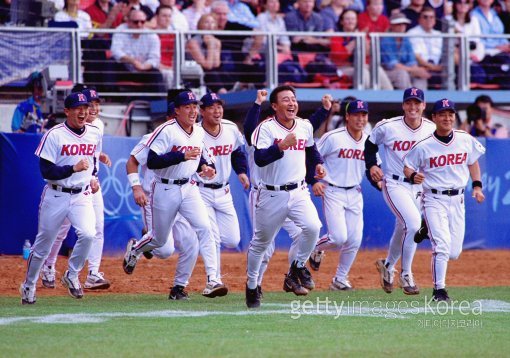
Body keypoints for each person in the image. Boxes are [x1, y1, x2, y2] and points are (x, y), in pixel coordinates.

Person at [122, 90, 228, 298]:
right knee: (161, 244)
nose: (192, 110)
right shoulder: (165, 131)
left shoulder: (198, 132)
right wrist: (180, 156)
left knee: (202, 230)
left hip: (189, 188)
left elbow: (201, 160)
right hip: (164, 188)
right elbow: (151, 162)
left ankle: (208, 281)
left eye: (195, 106)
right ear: (176, 110)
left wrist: (205, 169)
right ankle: (136, 249)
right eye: (187, 107)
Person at [243, 90, 332, 298]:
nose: (291, 103)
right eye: (286, 100)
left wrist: (317, 163)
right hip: (271, 194)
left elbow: (310, 149)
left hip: (299, 191)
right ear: (274, 106)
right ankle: (252, 284)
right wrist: (280, 146)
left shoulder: (304, 125)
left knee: (312, 228)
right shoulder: (266, 128)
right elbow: (260, 159)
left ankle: (297, 267)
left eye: (293, 99)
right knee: (261, 244)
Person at [20, 92, 102, 305]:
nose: (83, 111)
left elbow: (93, 160)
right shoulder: (54, 134)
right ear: (67, 111)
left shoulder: (94, 133)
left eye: (85, 107)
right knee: (43, 246)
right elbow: (46, 171)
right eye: (77, 108)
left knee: (88, 234)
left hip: (82, 194)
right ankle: (29, 285)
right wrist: (73, 168)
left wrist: (93, 177)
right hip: (56, 194)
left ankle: (72, 274)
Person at [403, 98, 486, 301]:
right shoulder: (424, 145)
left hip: (458, 200)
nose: (447, 118)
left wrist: (477, 186)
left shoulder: (464, 138)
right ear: (434, 118)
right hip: (433, 199)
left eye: (450, 114)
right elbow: (407, 166)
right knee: (441, 247)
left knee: (453, 252)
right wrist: (413, 176)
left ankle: (426, 228)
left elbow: (472, 161)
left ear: (455, 117)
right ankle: (439, 290)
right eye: (442, 114)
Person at [364, 87, 436, 295]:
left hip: (418, 186)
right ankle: (406, 274)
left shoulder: (431, 128)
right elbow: (370, 145)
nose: (413, 106)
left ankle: (387, 266)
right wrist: (372, 165)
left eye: (417, 103)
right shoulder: (388, 127)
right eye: (409, 103)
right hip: (394, 183)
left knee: (402, 227)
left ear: (423, 105)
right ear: (403, 105)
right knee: (413, 225)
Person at [39, 87, 112, 291]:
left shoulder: (96, 126)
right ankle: (49, 266)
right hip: (64, 187)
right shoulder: (60, 133)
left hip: (87, 185)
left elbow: (92, 156)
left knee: (95, 228)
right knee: (59, 231)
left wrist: (95, 174)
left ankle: (92, 273)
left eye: (94, 104)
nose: (92, 108)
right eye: (89, 104)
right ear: (70, 110)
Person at [126, 101, 199, 300]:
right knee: (165, 250)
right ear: (171, 118)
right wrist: (136, 187)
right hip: (155, 196)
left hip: (182, 192)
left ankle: (178, 288)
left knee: (192, 242)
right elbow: (132, 161)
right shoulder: (153, 137)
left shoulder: (193, 134)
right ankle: (139, 246)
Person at [308, 100, 372, 291]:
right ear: (347, 116)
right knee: (337, 238)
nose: (360, 119)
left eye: (364, 115)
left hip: (355, 191)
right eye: (356, 114)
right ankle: (315, 248)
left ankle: (340, 279)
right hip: (332, 189)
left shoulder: (369, 140)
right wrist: (315, 181)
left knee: (354, 240)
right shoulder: (333, 137)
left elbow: (372, 166)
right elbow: (313, 156)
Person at [196, 92, 249, 280]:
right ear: (201, 111)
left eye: (219, 106)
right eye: (211, 107)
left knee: (232, 239)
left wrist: (241, 172)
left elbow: (237, 153)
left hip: (224, 190)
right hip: (201, 190)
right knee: (212, 237)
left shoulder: (230, 128)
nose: (217, 111)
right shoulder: (194, 132)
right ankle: (214, 278)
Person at [110, 9, 165, 92]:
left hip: (144, 69)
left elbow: (155, 58)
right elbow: (115, 51)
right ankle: (109, 97)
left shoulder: (152, 35)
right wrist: (132, 61)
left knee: (156, 74)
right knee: (109, 63)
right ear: (128, 22)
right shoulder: (121, 30)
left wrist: (144, 66)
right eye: (136, 22)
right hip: (125, 68)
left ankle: (159, 103)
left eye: (142, 22)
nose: (139, 25)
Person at [380, 12, 431, 89]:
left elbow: (412, 62)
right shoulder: (386, 40)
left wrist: (417, 70)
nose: (402, 27)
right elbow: (393, 65)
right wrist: (413, 70)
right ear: (392, 26)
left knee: (421, 76)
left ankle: (419, 99)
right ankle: (408, 99)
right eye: (398, 24)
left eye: (404, 24)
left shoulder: (406, 39)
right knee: (402, 74)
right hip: (387, 72)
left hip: (406, 70)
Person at [186, 13, 231, 93]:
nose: (210, 25)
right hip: (198, 70)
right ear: (200, 25)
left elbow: (216, 64)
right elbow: (207, 66)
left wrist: (215, 45)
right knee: (211, 73)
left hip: (212, 69)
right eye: (206, 22)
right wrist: (210, 46)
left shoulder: (216, 41)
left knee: (223, 70)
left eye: (212, 22)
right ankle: (222, 91)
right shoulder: (193, 42)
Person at [471, 0, 510, 89]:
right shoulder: (473, 15)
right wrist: (496, 46)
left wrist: (507, 45)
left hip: (500, 51)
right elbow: (476, 38)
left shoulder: (494, 14)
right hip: (485, 52)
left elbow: (500, 35)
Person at [407, 7, 444, 88]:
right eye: (425, 17)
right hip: (420, 68)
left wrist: (438, 67)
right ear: (419, 19)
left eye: (431, 17)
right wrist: (433, 67)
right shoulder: (412, 33)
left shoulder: (439, 34)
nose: (429, 20)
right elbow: (417, 57)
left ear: (435, 20)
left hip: (438, 68)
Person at [155, 5, 176, 89]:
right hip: (157, 67)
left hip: (171, 68)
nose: (167, 19)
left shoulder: (175, 36)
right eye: (164, 16)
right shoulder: (151, 35)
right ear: (157, 17)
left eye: (169, 16)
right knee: (169, 74)